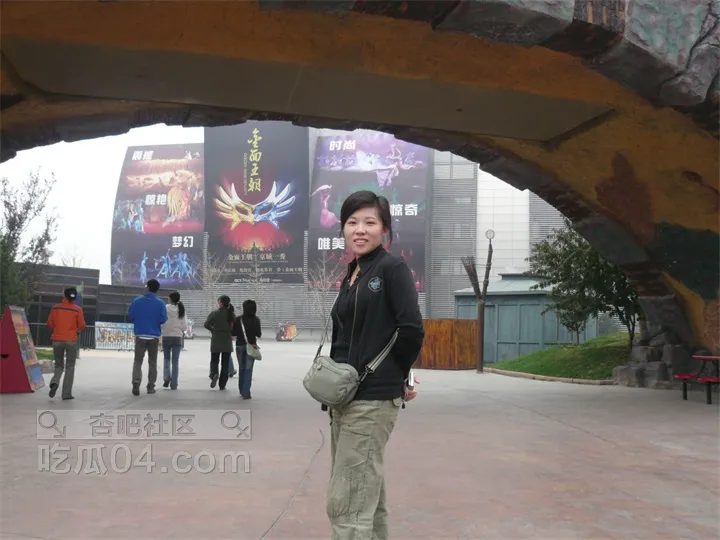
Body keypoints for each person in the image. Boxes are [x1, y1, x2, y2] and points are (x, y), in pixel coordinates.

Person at [325, 190, 424, 539]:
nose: (360, 230)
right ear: (343, 228)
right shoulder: (354, 271)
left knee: (348, 499)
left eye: (370, 222)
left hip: (371, 399)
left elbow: (410, 329)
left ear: (385, 229)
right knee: (366, 490)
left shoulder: (392, 268)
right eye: (352, 222)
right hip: (345, 397)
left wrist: (399, 375)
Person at [128, 279, 168, 396]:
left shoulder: (137, 301)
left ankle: (136, 383)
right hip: (154, 336)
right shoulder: (160, 304)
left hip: (140, 335)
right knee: (152, 362)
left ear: (148, 287)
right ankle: (150, 386)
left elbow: (131, 315)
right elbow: (163, 319)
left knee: (138, 361)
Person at [46, 287, 86, 400]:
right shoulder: (77, 310)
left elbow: (50, 323)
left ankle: (55, 382)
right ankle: (66, 393)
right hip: (71, 340)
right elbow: (82, 325)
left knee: (59, 365)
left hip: (57, 340)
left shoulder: (55, 308)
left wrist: (58, 328)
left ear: (65, 295)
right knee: (70, 366)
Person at [232, 299, 262, 399]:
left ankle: (241, 390)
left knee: (241, 368)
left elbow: (233, 333)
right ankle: (246, 392)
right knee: (248, 369)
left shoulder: (238, 319)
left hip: (240, 345)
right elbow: (259, 334)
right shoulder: (256, 320)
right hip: (251, 346)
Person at [204, 295, 235, 390]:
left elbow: (206, 324)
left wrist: (213, 330)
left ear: (221, 303)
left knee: (214, 360)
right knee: (225, 364)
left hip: (216, 340)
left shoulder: (215, 313)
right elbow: (234, 327)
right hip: (227, 341)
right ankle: (222, 384)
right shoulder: (231, 314)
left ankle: (214, 373)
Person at [161, 291, 187, 390]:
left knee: (166, 358)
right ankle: (174, 383)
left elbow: (161, 321)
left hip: (166, 336)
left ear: (171, 299)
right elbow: (184, 326)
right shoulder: (182, 309)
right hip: (177, 337)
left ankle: (166, 377)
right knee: (175, 361)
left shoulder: (165, 308)